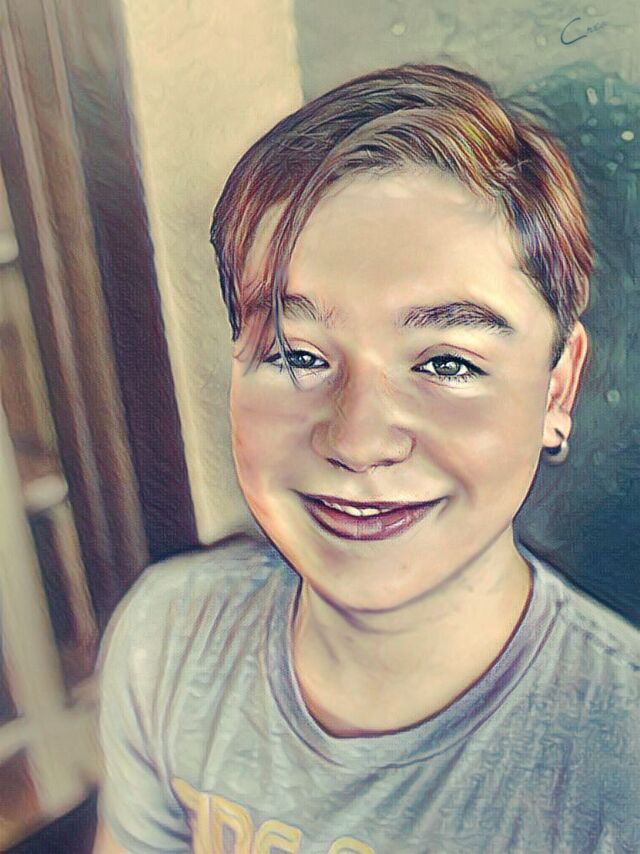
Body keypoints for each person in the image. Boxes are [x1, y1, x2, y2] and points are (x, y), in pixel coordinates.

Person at [94, 64, 640, 853]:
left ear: (557, 389)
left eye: (447, 362)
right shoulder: (168, 641)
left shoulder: (618, 762)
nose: (355, 441)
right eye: (297, 354)